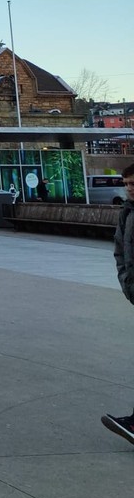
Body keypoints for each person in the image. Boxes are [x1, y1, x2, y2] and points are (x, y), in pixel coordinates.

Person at [101, 163, 134, 445]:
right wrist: (127, 283)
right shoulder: (127, 212)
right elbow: (119, 251)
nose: (130, 188)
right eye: (127, 184)